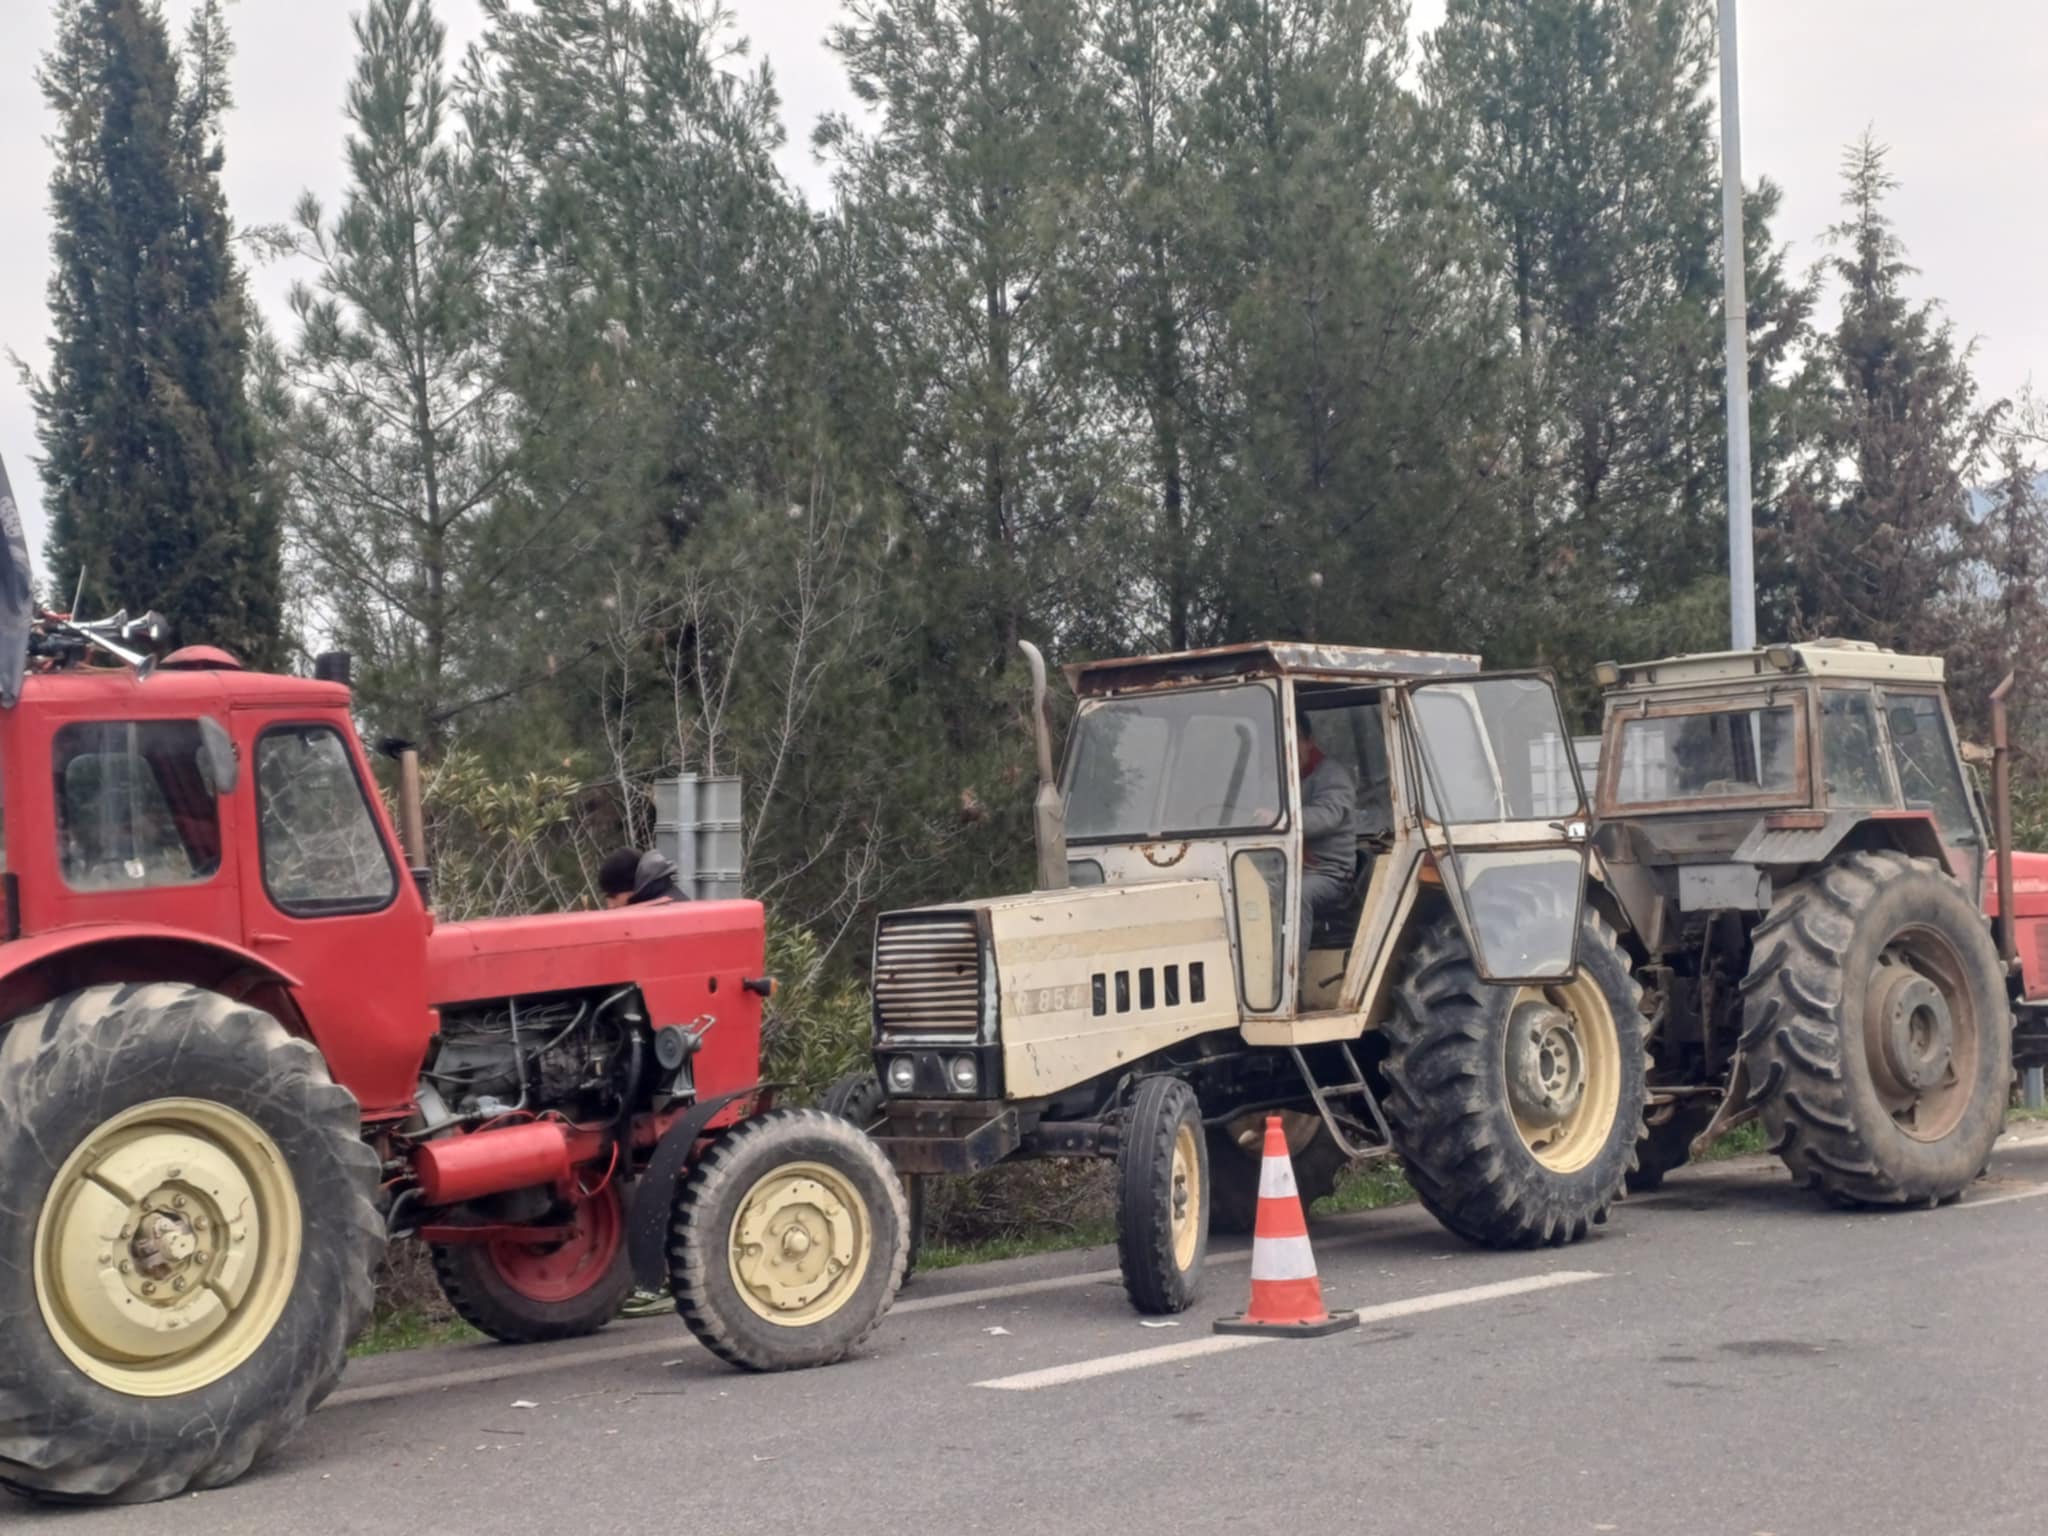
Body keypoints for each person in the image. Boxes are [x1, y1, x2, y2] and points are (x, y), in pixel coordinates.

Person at [597, 845, 687, 1320]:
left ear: (624, 894)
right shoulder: (674, 904)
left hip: (671, 1077)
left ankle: (662, 1282)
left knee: (663, 1175)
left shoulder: (650, 918)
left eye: (608, 901)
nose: (606, 911)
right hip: (674, 1070)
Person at [1297, 710, 1359, 982]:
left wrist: (1282, 819)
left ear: (1309, 740)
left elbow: (1327, 815)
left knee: (1294, 896)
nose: (1287, 747)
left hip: (1329, 873)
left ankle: (1289, 984)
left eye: (1294, 738)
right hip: (1286, 867)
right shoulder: (1278, 777)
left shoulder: (1333, 776)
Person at [598, 846, 686, 908]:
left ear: (632, 887)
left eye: (613, 896)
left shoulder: (656, 911)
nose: (610, 905)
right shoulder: (667, 900)